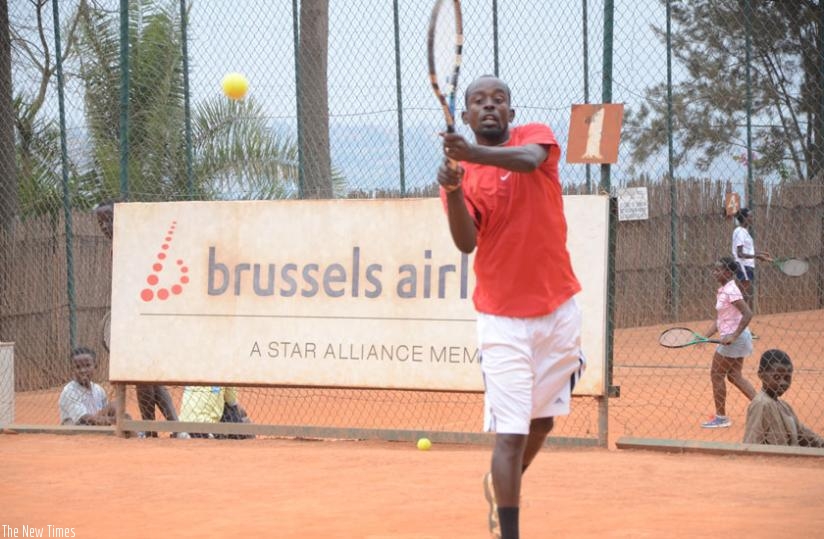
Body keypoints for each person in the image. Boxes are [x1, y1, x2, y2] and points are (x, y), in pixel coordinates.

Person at [436, 75, 585, 539]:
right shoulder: (460, 176)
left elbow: (528, 161)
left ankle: (503, 486)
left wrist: (471, 154)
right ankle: (509, 528)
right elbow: (466, 243)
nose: (489, 107)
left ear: (512, 113)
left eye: (498, 100)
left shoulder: (534, 138)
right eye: (478, 102)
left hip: (558, 309)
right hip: (502, 320)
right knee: (511, 432)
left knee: (542, 420)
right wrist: (456, 187)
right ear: (464, 117)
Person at [94, 200, 182, 436]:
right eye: (101, 221)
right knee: (149, 377)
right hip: (138, 316)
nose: (105, 225)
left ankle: (151, 430)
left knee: (142, 376)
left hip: (144, 316)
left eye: (109, 218)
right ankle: (175, 428)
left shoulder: (130, 244)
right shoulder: (119, 245)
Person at [700, 256, 757, 429]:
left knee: (716, 375)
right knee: (734, 376)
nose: (714, 272)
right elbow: (720, 320)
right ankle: (766, 408)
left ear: (729, 272)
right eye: (714, 269)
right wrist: (704, 336)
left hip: (735, 340)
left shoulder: (731, 290)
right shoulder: (724, 289)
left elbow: (748, 313)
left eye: (718, 270)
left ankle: (721, 417)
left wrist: (733, 335)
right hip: (736, 339)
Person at [743, 349, 824, 447]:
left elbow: (803, 435)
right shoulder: (761, 404)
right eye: (776, 377)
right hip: (772, 460)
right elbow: (751, 443)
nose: (782, 383)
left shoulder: (784, 406)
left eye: (787, 378)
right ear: (761, 375)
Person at [59, 347, 117, 426]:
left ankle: (135, 434)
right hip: (78, 430)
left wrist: (114, 414)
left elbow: (105, 412)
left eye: (87, 365)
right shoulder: (69, 391)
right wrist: (114, 420)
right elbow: (85, 418)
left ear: (95, 366)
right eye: (78, 367)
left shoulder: (98, 390)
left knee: (115, 406)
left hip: (96, 424)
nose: (83, 370)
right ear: (72, 369)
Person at [731, 208, 772, 309]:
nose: (752, 218)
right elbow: (740, 253)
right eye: (750, 216)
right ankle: (739, 320)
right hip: (743, 265)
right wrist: (757, 256)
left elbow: (748, 251)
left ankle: (739, 320)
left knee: (744, 294)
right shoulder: (740, 231)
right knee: (742, 295)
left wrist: (761, 254)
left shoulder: (744, 231)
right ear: (744, 218)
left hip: (747, 265)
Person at [178, 386, 253, 439]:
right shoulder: (226, 374)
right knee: (245, 422)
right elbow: (232, 403)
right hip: (206, 425)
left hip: (182, 424)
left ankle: (185, 433)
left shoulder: (193, 372)